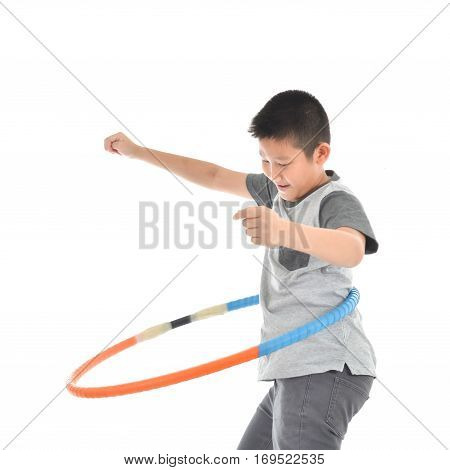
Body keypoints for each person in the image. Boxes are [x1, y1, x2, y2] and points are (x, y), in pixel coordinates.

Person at [103, 89, 378, 450]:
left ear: (320, 153)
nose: (272, 172)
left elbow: (351, 248)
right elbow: (213, 174)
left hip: (324, 365)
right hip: (291, 369)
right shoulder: (278, 191)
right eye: (264, 160)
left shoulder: (334, 200)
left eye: (282, 162)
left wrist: (283, 231)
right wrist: (138, 151)